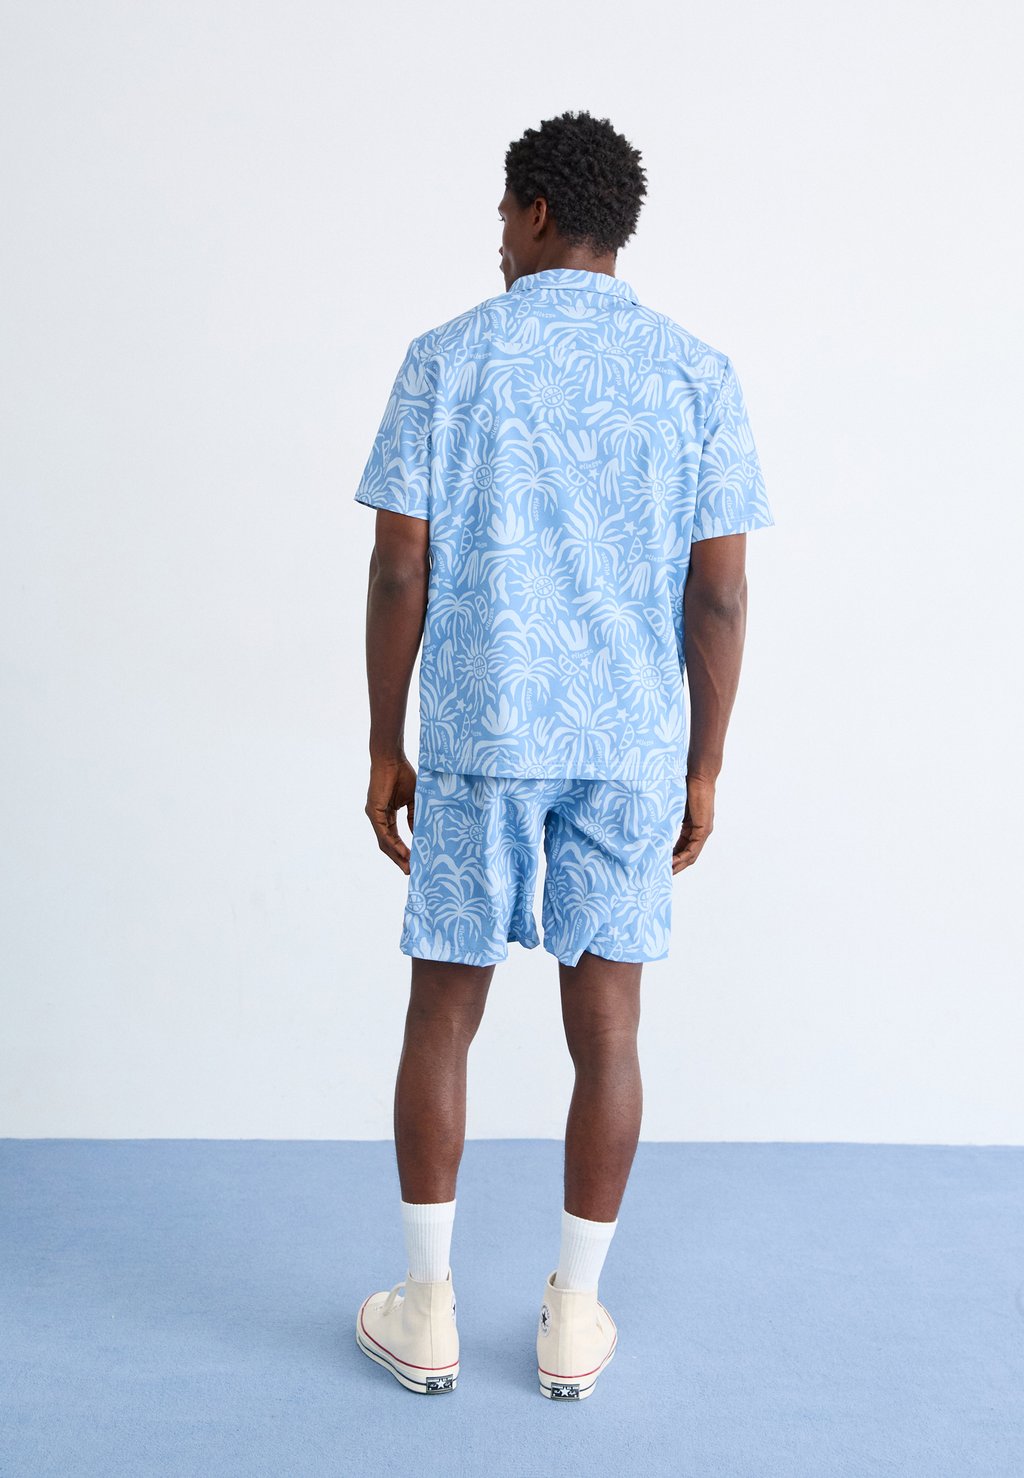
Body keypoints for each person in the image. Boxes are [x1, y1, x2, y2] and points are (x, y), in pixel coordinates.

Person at [352, 109, 775, 1400]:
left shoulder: (446, 359)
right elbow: (718, 594)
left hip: (480, 730)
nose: (495, 237)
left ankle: (426, 1308)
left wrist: (384, 740)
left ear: (536, 211)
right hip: (626, 743)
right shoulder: (696, 373)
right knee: (610, 1030)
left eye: (501, 212)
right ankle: (573, 1317)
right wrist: (704, 763)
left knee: (444, 1011)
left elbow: (401, 566)